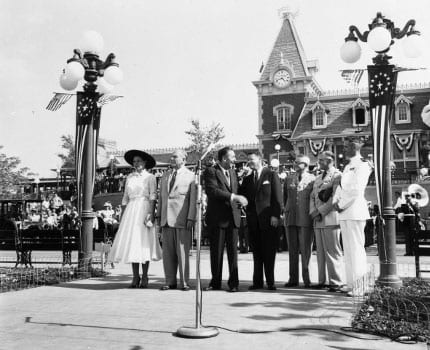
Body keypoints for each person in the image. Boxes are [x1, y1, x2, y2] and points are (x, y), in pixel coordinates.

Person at [108, 149, 162, 288]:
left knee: (144, 242)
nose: (136, 164)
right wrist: (122, 215)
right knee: (133, 243)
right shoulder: (129, 177)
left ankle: (145, 276)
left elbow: (153, 196)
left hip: (144, 209)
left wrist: (150, 213)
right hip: (131, 211)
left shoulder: (150, 177)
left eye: (139, 161)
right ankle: (135, 276)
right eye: (134, 161)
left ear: (145, 163)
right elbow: (125, 197)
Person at [204, 146, 248, 292]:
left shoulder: (233, 172)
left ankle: (233, 283)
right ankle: (215, 282)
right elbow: (213, 191)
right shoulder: (211, 171)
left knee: (233, 253)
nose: (235, 159)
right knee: (216, 252)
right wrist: (233, 197)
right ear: (224, 158)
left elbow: (237, 190)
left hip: (233, 217)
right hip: (217, 218)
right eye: (233, 157)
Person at [333, 138, 372, 297]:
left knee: (356, 249)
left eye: (347, 146)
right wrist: (336, 201)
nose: (344, 149)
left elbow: (356, 189)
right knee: (347, 250)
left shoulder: (363, 165)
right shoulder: (348, 166)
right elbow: (341, 187)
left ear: (355, 148)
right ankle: (350, 283)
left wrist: (340, 204)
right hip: (344, 212)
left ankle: (360, 286)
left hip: (355, 210)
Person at [239, 151, 283, 290]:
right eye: (248, 160)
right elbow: (242, 196)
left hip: (268, 219)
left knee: (269, 252)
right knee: (256, 252)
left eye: (251, 159)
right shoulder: (247, 178)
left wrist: (275, 215)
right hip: (253, 221)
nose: (249, 162)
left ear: (260, 159)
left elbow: (277, 197)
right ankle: (257, 282)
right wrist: (240, 177)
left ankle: (270, 282)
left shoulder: (271, 174)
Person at [157, 149, 197, 291]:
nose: (171, 159)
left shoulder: (191, 176)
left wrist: (191, 217)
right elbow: (162, 198)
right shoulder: (165, 175)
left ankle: (184, 282)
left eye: (175, 157)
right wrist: (159, 216)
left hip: (182, 219)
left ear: (183, 159)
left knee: (182, 252)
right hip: (166, 219)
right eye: (171, 156)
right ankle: (170, 281)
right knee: (168, 253)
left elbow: (193, 200)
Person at [309, 151, 344, 292]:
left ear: (330, 160)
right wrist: (313, 212)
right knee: (321, 252)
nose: (319, 162)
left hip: (330, 218)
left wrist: (320, 211)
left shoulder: (337, 175)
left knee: (333, 251)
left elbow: (335, 198)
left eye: (322, 160)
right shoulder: (318, 177)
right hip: (318, 220)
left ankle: (336, 281)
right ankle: (322, 280)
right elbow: (312, 196)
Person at [283, 155, 316, 288]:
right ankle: (293, 279)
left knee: (306, 250)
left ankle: (307, 279)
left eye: (298, 162)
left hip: (305, 218)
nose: (295, 164)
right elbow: (285, 196)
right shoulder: (289, 178)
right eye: (295, 162)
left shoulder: (313, 179)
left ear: (306, 164)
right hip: (290, 217)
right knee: (292, 250)